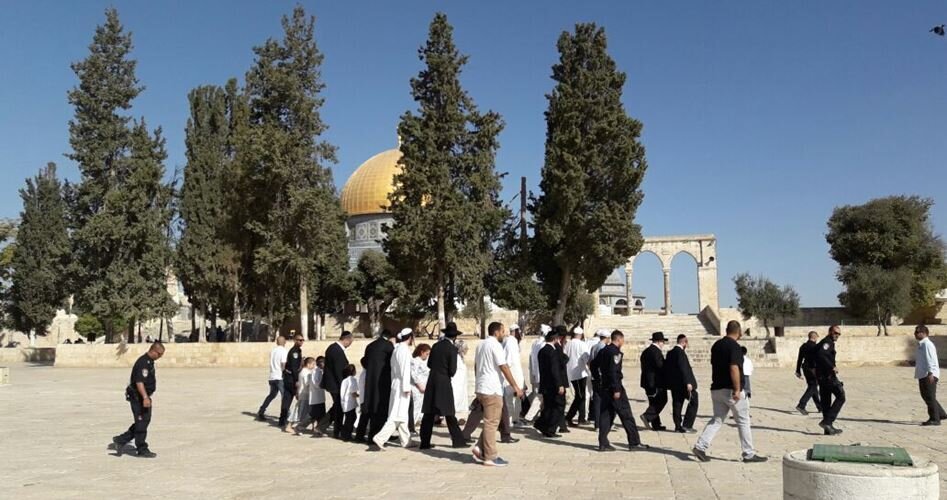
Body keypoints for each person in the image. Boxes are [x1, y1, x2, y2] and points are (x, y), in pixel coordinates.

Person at [692, 321, 766, 463]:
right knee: (743, 420)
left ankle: (700, 446)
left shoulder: (717, 345)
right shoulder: (734, 347)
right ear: (739, 332)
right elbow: (734, 368)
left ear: (726, 330)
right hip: (730, 390)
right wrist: (737, 389)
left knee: (717, 419)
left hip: (717, 388)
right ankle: (748, 453)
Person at [471, 322, 524, 467]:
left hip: (482, 387)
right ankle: (490, 456)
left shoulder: (481, 344)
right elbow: (504, 366)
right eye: (502, 331)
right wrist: (515, 386)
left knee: (492, 419)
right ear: (496, 332)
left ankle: (479, 447)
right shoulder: (495, 345)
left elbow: (476, 366)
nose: (504, 334)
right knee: (491, 423)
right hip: (492, 388)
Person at [593, 330, 648, 452]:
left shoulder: (603, 351)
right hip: (614, 388)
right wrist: (616, 389)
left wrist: (598, 379)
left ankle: (603, 443)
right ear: (619, 339)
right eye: (623, 340)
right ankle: (634, 442)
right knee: (626, 415)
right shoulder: (614, 352)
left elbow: (593, 365)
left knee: (606, 415)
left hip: (605, 387)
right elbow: (614, 371)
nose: (623, 342)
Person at [419, 322, 469, 449]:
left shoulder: (435, 346)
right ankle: (458, 441)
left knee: (428, 413)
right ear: (455, 336)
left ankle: (424, 442)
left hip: (432, 381)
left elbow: (429, 364)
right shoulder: (452, 349)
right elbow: (452, 370)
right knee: (449, 413)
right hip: (444, 382)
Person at [112, 342, 165, 458]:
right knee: (141, 422)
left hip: (142, 396)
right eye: (159, 354)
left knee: (143, 421)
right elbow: (139, 382)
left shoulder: (149, 361)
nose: (160, 357)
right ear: (153, 351)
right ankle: (142, 449)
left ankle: (121, 440)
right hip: (138, 397)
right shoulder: (143, 363)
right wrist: (145, 397)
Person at [373, 329, 418, 449]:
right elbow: (405, 370)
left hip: (396, 383)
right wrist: (406, 386)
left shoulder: (397, 349)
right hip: (402, 385)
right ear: (410, 337)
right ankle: (380, 437)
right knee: (397, 414)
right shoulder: (404, 350)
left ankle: (406, 440)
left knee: (402, 414)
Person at [354, 329, 395, 443]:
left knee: (368, 406)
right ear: (389, 337)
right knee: (380, 408)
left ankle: (360, 435)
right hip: (383, 381)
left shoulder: (370, 345)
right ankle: (376, 435)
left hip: (369, 380)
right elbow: (392, 363)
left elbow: (365, 361)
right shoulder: (388, 346)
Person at [318, 331, 353, 438]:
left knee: (337, 406)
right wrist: (344, 386)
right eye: (350, 342)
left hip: (332, 383)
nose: (350, 344)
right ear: (346, 339)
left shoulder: (333, 348)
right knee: (339, 408)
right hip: (335, 384)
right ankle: (337, 431)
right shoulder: (336, 350)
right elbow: (339, 371)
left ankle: (322, 426)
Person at [534, 326, 567, 438]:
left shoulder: (542, 351)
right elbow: (555, 370)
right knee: (558, 406)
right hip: (553, 385)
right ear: (555, 339)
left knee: (548, 406)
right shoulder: (552, 352)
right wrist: (560, 385)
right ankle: (550, 428)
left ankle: (542, 425)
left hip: (545, 383)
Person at [665, 334, 698, 433]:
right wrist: (688, 382)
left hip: (674, 384)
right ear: (684, 342)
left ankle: (678, 426)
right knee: (694, 400)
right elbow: (683, 368)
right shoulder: (680, 353)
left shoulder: (670, 353)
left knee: (677, 404)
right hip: (683, 384)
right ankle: (687, 425)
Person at [816, 325, 845, 435]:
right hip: (827, 376)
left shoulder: (825, 342)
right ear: (830, 332)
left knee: (826, 402)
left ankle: (828, 429)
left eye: (839, 334)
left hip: (822, 376)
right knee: (841, 396)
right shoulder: (827, 342)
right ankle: (827, 422)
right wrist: (832, 366)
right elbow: (821, 354)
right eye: (835, 333)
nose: (837, 335)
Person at [914, 325, 946, 426]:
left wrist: (931, 372)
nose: (915, 334)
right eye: (915, 332)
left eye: (918, 332)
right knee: (927, 395)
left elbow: (931, 359)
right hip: (923, 374)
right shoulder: (922, 344)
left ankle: (935, 419)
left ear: (924, 333)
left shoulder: (927, 344)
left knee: (929, 396)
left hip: (928, 375)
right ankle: (941, 414)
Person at [640, 331, 669, 431]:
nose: (663, 344)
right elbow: (660, 366)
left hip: (647, 382)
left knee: (653, 402)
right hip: (656, 382)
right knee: (662, 400)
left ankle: (656, 424)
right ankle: (647, 416)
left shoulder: (646, 351)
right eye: (663, 342)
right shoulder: (656, 352)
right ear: (659, 341)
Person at [524, 324, 552, 422]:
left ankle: (539, 417)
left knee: (537, 395)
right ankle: (529, 417)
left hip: (535, 374)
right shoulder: (543, 345)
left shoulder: (535, 343)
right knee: (539, 397)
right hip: (541, 375)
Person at [256, 336, 287, 421]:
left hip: (272, 376)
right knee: (285, 397)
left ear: (277, 342)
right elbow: (283, 364)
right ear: (285, 342)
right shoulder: (283, 351)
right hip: (280, 377)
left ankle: (261, 410)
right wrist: (285, 374)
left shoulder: (273, 351)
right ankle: (285, 415)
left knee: (271, 395)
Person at [564, 326, 591, 426]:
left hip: (570, 372)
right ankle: (569, 417)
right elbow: (586, 359)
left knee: (581, 395)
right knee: (580, 396)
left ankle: (581, 418)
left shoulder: (568, 344)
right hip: (579, 373)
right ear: (581, 335)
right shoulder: (582, 344)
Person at [279, 333, 305, 431]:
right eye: (299, 340)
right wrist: (297, 380)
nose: (301, 342)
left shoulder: (297, 351)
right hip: (292, 379)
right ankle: (292, 421)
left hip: (289, 377)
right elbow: (294, 368)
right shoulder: (294, 352)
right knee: (299, 400)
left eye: (302, 340)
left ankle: (282, 420)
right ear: (295, 340)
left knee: (287, 400)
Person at [503, 324, 526, 427]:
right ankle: (510, 420)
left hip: (516, 374)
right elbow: (508, 360)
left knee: (517, 398)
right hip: (512, 374)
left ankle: (515, 419)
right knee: (510, 398)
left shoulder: (513, 341)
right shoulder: (510, 342)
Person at [794, 331, 823, 415]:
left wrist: (798, 371)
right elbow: (819, 359)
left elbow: (799, 359)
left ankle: (820, 407)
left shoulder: (803, 346)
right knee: (813, 386)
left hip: (805, 368)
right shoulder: (815, 347)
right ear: (815, 337)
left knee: (813, 387)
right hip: (813, 368)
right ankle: (801, 405)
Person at [588, 329, 611, 429]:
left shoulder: (594, 347)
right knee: (605, 401)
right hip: (602, 376)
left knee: (597, 400)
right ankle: (603, 423)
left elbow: (590, 362)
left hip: (594, 376)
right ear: (607, 338)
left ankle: (597, 424)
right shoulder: (604, 348)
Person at [291, 357, 316, 435]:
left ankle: (313, 427)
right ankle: (299, 428)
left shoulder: (304, 371)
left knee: (309, 412)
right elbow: (307, 383)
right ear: (308, 364)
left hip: (305, 394)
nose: (314, 366)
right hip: (305, 395)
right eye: (313, 364)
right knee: (304, 413)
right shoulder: (305, 372)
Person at [410, 343, 432, 432]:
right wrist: (419, 386)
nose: (427, 356)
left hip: (424, 388)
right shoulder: (415, 361)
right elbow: (414, 375)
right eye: (427, 354)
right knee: (416, 407)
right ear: (422, 352)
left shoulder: (425, 362)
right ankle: (412, 425)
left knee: (421, 408)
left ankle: (418, 424)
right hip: (417, 388)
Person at [339, 364, 360, 441]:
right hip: (350, 404)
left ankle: (344, 434)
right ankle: (346, 435)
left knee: (348, 419)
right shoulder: (353, 380)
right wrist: (359, 396)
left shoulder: (344, 380)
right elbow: (353, 393)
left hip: (344, 403)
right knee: (351, 419)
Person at [452, 339, 470, 422]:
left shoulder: (460, 358)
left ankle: (459, 417)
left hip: (461, 385)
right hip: (456, 384)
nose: (467, 350)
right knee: (455, 399)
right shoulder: (456, 358)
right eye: (465, 348)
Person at [309, 356, 327, 433]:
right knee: (314, 414)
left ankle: (319, 428)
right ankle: (302, 426)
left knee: (321, 414)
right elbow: (315, 383)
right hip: (315, 397)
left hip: (320, 397)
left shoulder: (321, 371)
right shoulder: (315, 371)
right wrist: (323, 384)